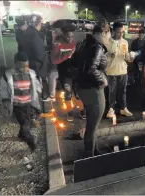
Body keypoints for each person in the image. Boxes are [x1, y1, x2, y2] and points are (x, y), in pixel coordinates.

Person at [76, 18, 110, 157]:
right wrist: (102, 79)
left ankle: (94, 150)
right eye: (109, 34)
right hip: (93, 90)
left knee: (92, 124)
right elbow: (90, 69)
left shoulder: (86, 43)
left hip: (83, 87)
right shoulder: (98, 47)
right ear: (103, 33)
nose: (110, 38)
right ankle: (89, 156)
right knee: (92, 126)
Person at [0, 52, 42, 152]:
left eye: (26, 65)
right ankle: (31, 142)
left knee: (29, 120)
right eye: (22, 65)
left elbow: (36, 84)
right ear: (15, 63)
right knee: (25, 123)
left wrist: (38, 90)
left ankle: (21, 135)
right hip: (17, 105)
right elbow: (3, 88)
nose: (24, 68)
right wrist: (5, 99)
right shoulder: (8, 75)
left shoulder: (31, 73)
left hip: (29, 104)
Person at [51, 26, 85, 121]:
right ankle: (70, 112)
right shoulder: (58, 44)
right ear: (63, 35)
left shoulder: (73, 43)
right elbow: (54, 60)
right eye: (68, 37)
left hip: (75, 72)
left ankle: (82, 110)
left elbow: (76, 58)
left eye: (72, 37)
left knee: (78, 93)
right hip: (64, 73)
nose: (70, 39)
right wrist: (68, 54)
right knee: (68, 93)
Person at [106, 22, 133, 118]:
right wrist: (110, 56)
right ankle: (111, 109)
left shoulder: (125, 42)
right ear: (113, 31)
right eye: (118, 32)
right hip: (112, 71)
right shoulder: (108, 42)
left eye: (122, 32)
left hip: (123, 70)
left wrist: (129, 58)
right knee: (112, 91)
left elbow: (126, 56)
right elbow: (103, 58)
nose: (121, 34)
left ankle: (123, 108)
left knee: (123, 91)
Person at [22, 14, 49, 101]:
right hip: (36, 63)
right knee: (40, 80)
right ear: (37, 24)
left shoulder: (27, 32)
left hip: (29, 60)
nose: (41, 26)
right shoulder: (34, 35)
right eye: (40, 23)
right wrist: (44, 57)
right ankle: (42, 97)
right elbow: (39, 52)